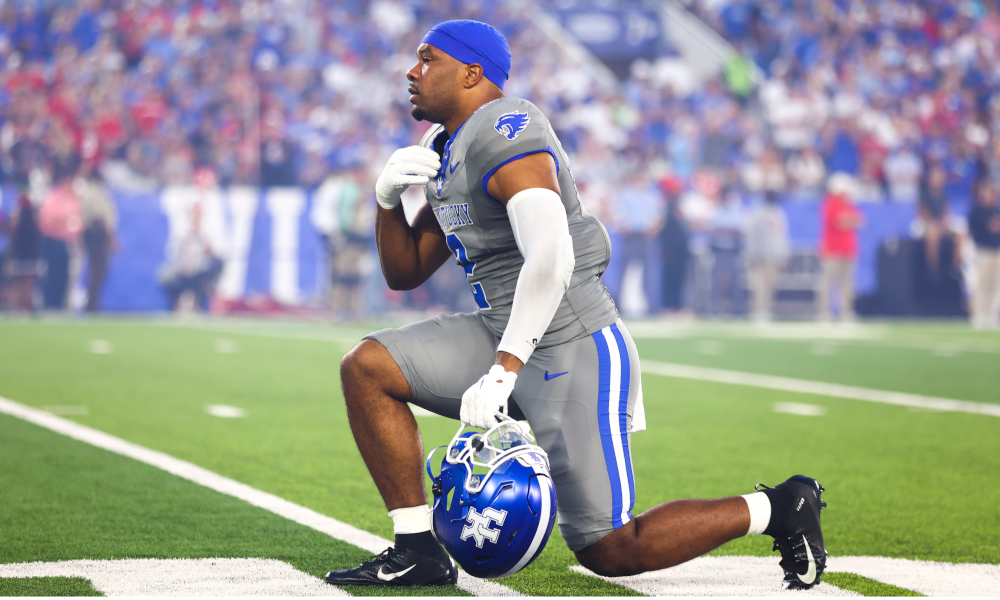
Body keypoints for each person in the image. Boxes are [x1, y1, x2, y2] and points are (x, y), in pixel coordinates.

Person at [326, 20, 827, 590]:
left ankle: (780, 507)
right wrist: (387, 200)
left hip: (572, 341)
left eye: (427, 59)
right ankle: (418, 549)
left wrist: (502, 372)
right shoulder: (443, 146)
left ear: (471, 73)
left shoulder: (506, 128)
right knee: (368, 368)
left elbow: (551, 257)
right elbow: (405, 271)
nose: (412, 73)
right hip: (503, 327)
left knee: (610, 549)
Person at [818, 173, 863, 321]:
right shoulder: (830, 203)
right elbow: (839, 223)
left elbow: (860, 221)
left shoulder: (849, 204)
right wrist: (849, 220)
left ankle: (846, 312)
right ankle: (824, 312)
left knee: (847, 285)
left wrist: (848, 220)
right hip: (832, 249)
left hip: (848, 249)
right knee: (828, 282)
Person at [744, 191, 790, 322]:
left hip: (773, 256)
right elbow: (751, 235)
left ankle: (766, 310)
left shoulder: (778, 213)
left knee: (770, 285)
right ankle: (757, 311)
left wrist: (783, 255)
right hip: (759, 257)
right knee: (758, 286)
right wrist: (753, 254)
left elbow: (782, 236)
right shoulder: (757, 213)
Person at [78, 171, 118, 312]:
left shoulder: (88, 192)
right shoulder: (95, 193)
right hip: (97, 235)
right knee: (98, 270)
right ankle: (92, 304)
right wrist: (111, 238)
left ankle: (92, 303)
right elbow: (100, 218)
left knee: (97, 270)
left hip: (94, 235)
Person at [968, 183, 1000, 329]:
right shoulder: (976, 211)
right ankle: (979, 314)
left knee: (994, 284)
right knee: (982, 284)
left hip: (996, 251)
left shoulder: (995, 211)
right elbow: (976, 229)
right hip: (983, 251)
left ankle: (991, 315)